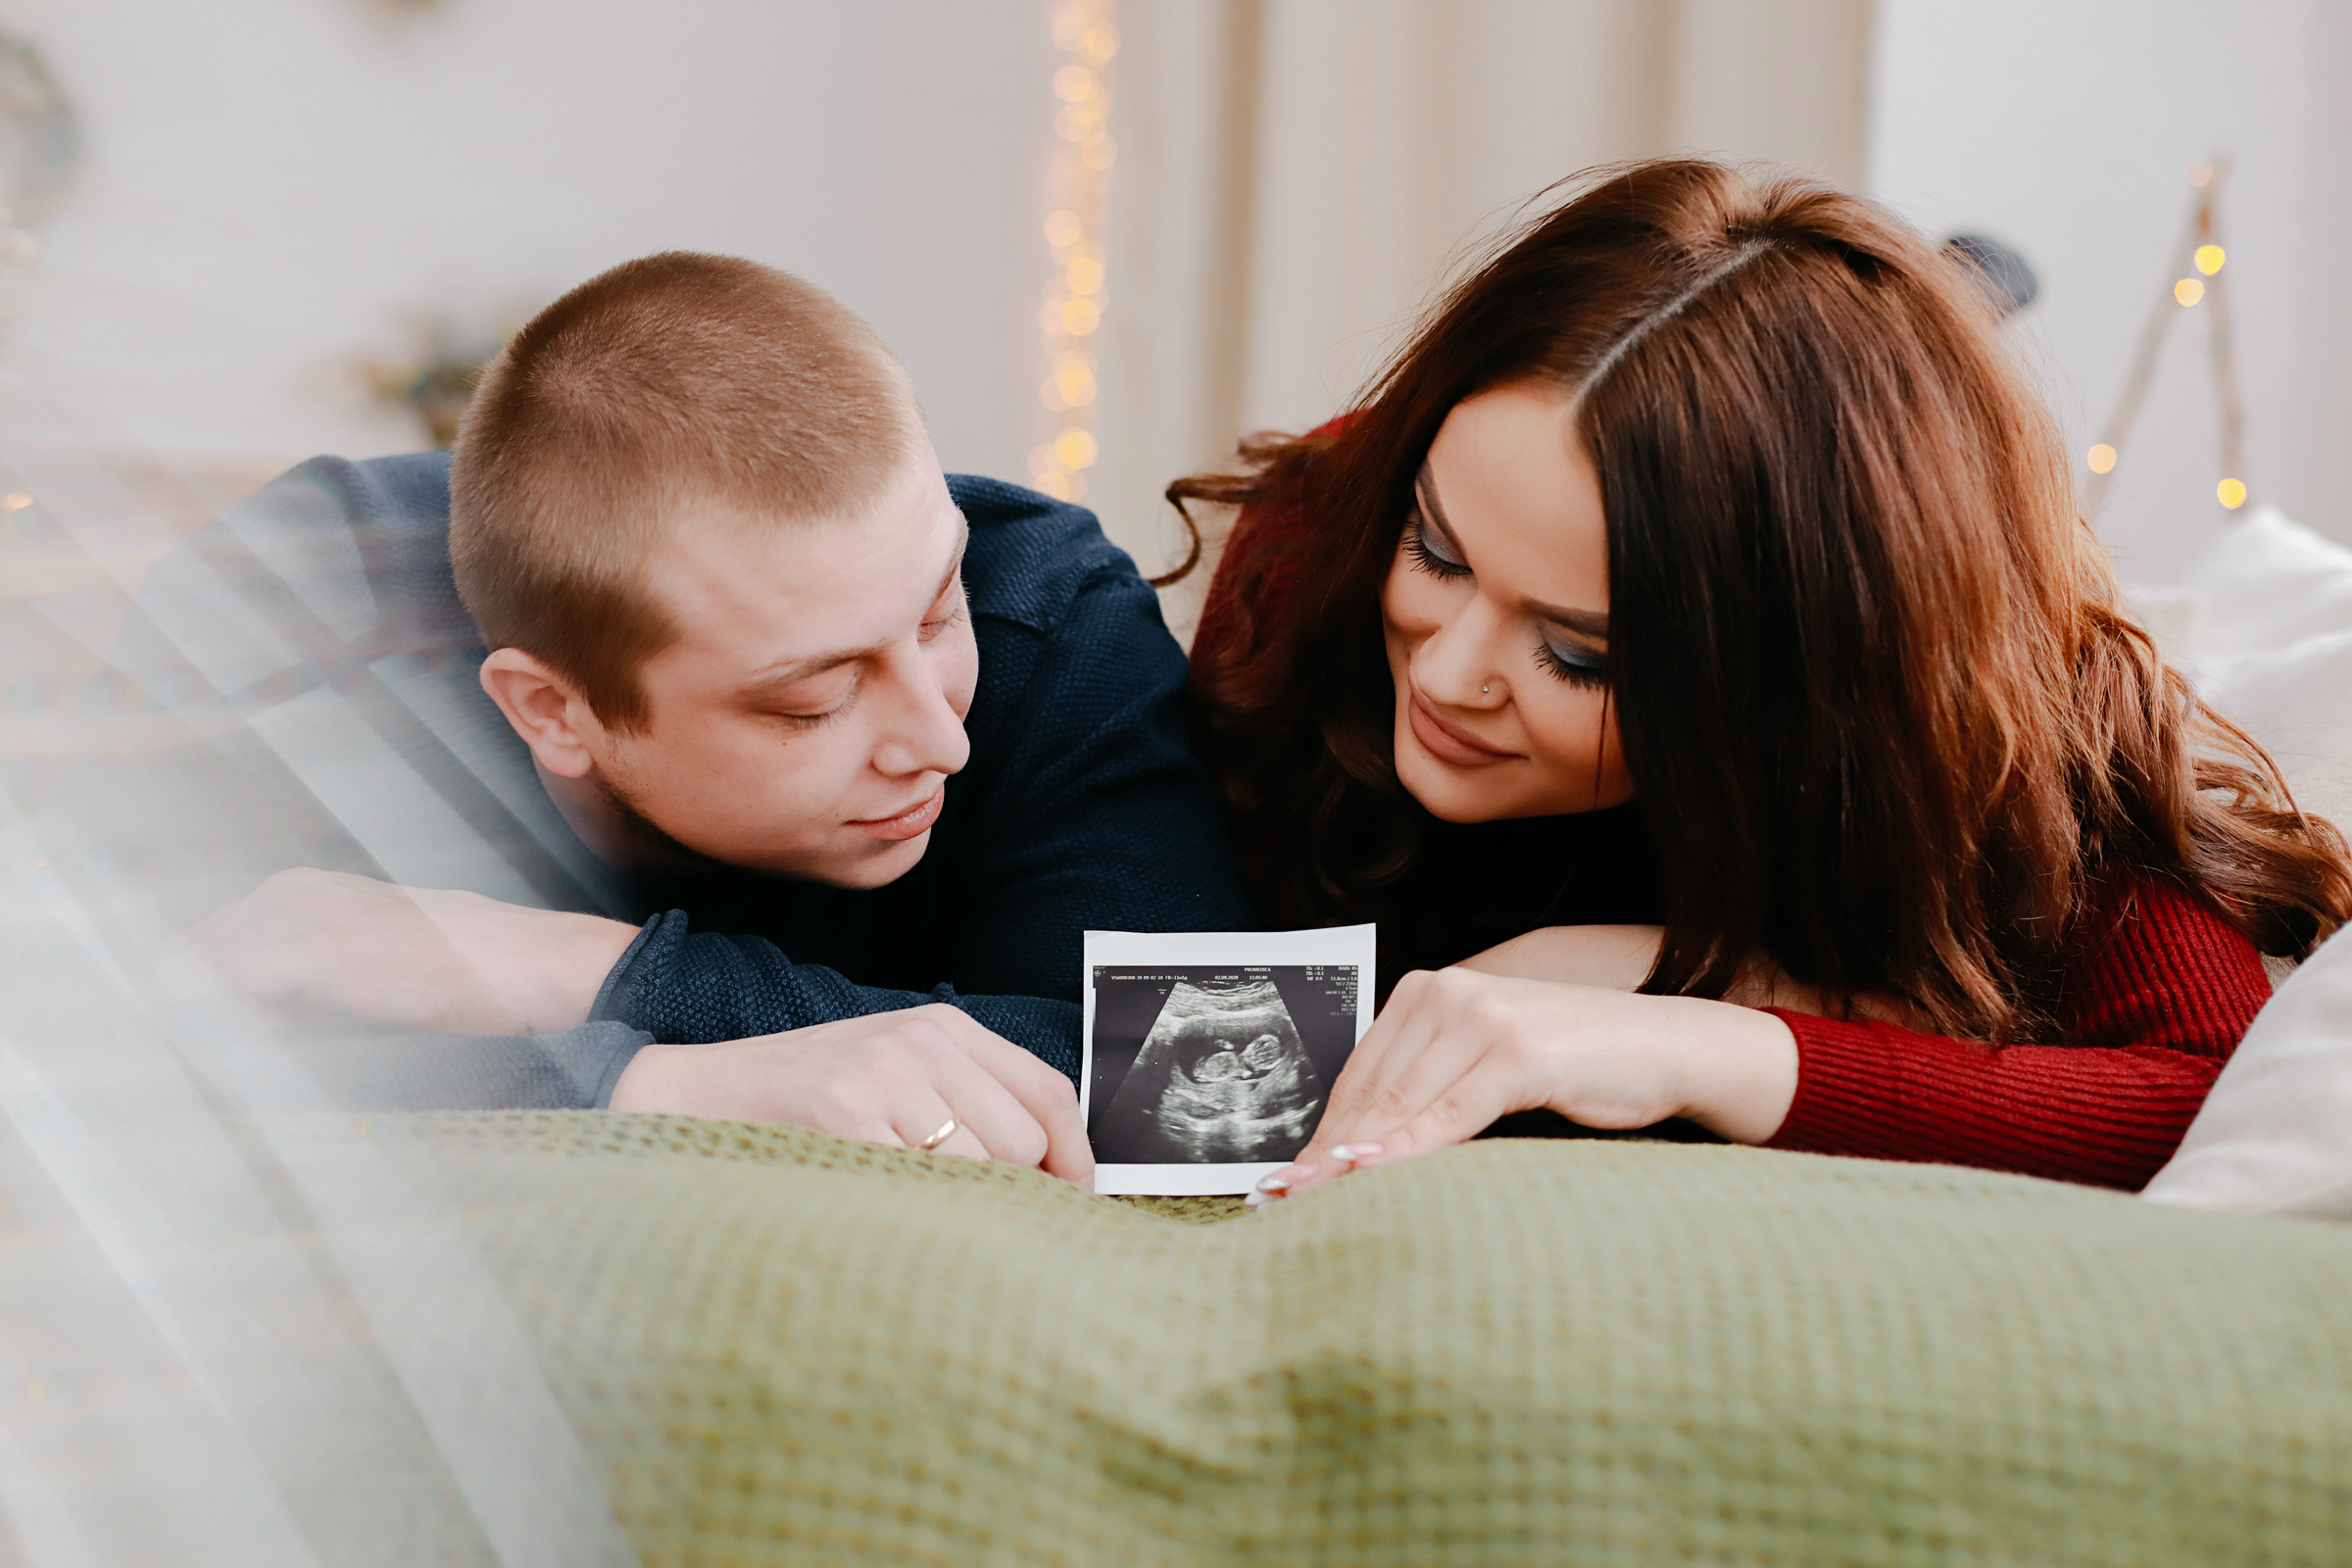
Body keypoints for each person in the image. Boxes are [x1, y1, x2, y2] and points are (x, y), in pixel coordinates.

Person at [1167, 161, 2352, 1201]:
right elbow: (1168, 1025)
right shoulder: (1323, 534)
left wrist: (1685, 1013)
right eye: (1439, 551)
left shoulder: (2016, 718)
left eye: (1581, 652)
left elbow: (2192, 1089)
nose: (1448, 668)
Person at [195, 253, 1252, 1177]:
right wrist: (662, 1084)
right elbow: (106, 1058)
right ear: (552, 709)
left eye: (937, 614)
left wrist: (591, 976)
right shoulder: (294, 605)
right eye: (815, 698)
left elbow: (1220, 1096)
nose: (942, 739)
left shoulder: (1046, 601)